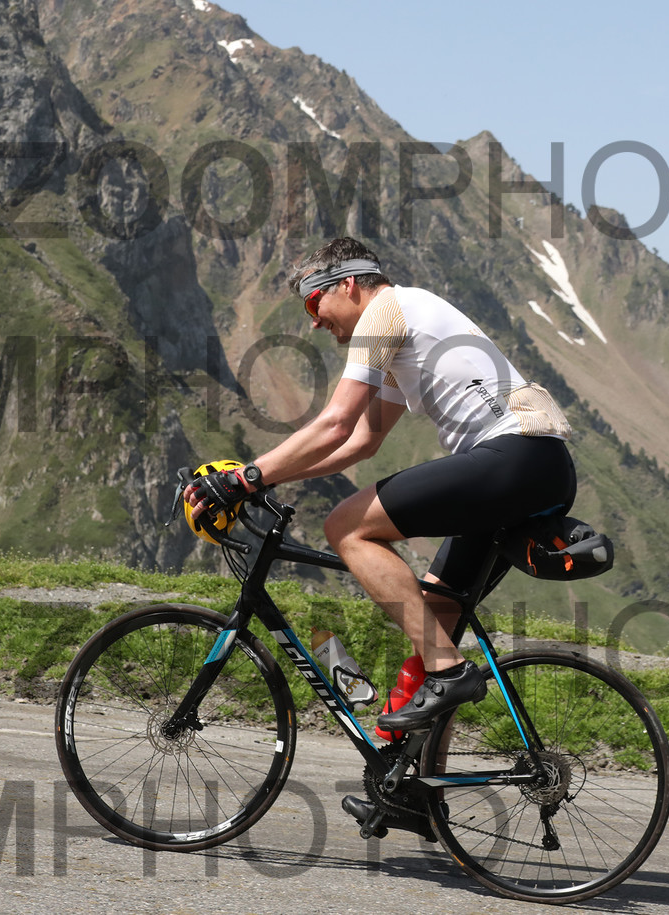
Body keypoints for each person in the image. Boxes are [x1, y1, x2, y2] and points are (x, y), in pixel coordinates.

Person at [183, 237, 576, 833]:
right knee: (435, 621)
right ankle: (418, 794)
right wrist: (269, 479)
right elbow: (359, 441)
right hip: (536, 467)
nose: (315, 322)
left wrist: (245, 477)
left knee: (346, 528)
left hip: (513, 457)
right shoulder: (404, 324)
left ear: (348, 284)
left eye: (314, 303)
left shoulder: (385, 312)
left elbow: (335, 421)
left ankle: (450, 674)